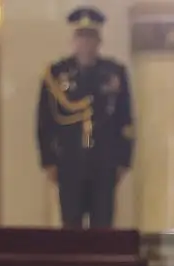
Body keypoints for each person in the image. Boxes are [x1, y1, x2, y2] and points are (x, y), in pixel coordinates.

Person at [37, 7, 134, 229]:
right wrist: (48, 160)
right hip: (69, 162)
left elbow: (126, 120)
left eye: (91, 37)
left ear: (99, 41)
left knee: (103, 227)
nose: (86, 43)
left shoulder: (115, 73)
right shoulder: (56, 74)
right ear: (74, 40)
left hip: (104, 162)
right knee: (71, 227)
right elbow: (44, 122)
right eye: (81, 36)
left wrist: (123, 160)